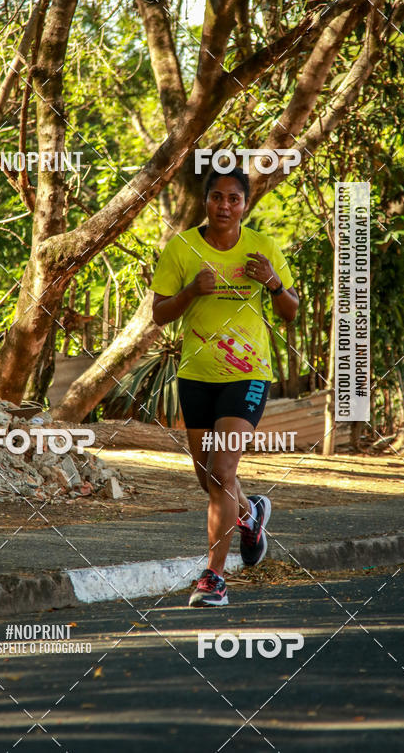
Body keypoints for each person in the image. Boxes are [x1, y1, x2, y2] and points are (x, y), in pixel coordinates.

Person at [151, 168, 299, 606]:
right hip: (196, 375)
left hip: (248, 374)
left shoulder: (262, 247)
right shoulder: (182, 248)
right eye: (217, 197)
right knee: (208, 478)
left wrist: (273, 283)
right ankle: (250, 514)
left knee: (222, 472)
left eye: (234, 198)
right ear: (206, 201)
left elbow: (290, 310)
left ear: (245, 205)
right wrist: (191, 291)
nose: (224, 205)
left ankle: (214, 577)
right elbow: (159, 314)